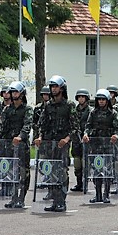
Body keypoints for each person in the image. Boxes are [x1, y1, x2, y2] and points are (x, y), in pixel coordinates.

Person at [34, 75, 79, 212]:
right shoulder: (48, 106)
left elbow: (75, 127)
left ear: (62, 88)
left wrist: (66, 139)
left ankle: (61, 201)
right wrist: (40, 137)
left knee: (62, 172)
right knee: (50, 172)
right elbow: (42, 124)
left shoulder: (69, 105)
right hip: (49, 143)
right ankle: (54, 200)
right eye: (52, 87)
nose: (53, 89)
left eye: (56, 86)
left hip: (62, 144)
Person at [0, 81, 33, 209]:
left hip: (22, 146)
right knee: (11, 173)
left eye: (16, 92)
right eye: (12, 92)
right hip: (8, 146)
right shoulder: (6, 109)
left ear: (22, 94)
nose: (14, 94)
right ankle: (13, 197)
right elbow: (1, 124)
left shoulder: (27, 109)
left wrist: (20, 137)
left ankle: (21, 198)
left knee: (23, 172)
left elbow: (27, 125)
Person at [82, 89, 118, 203]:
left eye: (103, 99)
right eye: (99, 100)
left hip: (108, 145)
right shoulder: (93, 113)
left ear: (107, 100)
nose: (101, 102)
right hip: (96, 145)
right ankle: (97, 194)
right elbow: (87, 126)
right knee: (97, 170)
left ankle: (106, 195)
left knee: (107, 171)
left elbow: (117, 129)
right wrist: (86, 134)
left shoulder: (113, 113)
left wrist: (115, 135)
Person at [70, 89, 91, 192]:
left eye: (83, 97)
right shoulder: (74, 110)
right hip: (76, 140)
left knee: (85, 162)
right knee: (77, 162)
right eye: (79, 97)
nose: (81, 99)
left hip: (86, 140)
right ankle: (79, 183)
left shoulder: (90, 111)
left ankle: (85, 183)